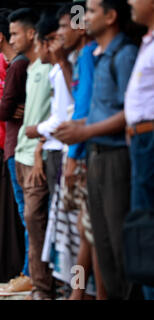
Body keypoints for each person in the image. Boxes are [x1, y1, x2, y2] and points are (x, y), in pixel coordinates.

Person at [54, 0, 139, 300]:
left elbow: (135, 112)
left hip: (116, 157)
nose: (84, 18)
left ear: (111, 16)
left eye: (89, 12)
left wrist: (83, 133)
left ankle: (81, 293)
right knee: (98, 239)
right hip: (94, 155)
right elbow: (88, 105)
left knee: (115, 242)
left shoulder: (124, 54)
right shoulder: (95, 56)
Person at [9, 8, 55, 300]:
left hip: (38, 155)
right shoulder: (32, 67)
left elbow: (60, 112)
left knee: (35, 218)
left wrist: (39, 147)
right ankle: (40, 282)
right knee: (32, 220)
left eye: (15, 34)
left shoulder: (51, 68)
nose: (12, 39)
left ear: (30, 34)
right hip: (21, 154)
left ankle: (44, 286)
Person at [0, 7, 32, 295]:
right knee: (29, 212)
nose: (13, 40)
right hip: (18, 145)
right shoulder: (25, 64)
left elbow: (4, 109)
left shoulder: (17, 65)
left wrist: (7, 108)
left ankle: (31, 273)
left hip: (19, 146)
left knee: (28, 211)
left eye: (15, 34)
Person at [124, 0, 154, 301]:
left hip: (149, 141)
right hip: (141, 142)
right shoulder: (146, 42)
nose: (130, 2)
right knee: (142, 225)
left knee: (147, 224)